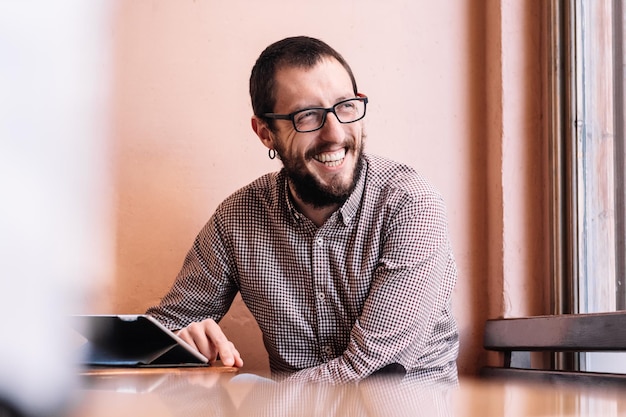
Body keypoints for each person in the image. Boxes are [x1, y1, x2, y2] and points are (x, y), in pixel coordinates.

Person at [146, 35, 459, 386]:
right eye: (307, 116)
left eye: (345, 106)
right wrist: (182, 343)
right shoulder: (237, 219)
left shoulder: (411, 205)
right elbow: (157, 337)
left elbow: (368, 370)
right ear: (266, 133)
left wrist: (253, 401)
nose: (335, 134)